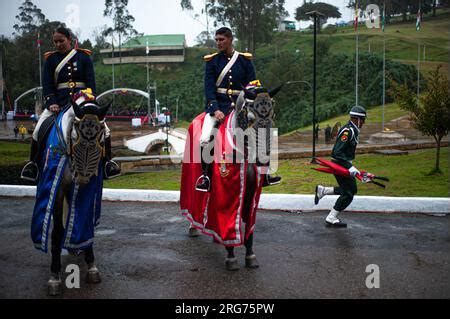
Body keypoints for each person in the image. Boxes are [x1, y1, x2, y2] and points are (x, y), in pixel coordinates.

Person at [21, 27, 120, 182]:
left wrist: (90, 101)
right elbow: (47, 84)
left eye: (61, 41)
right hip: (58, 102)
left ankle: (108, 163)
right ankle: (33, 164)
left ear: (69, 39)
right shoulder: (51, 60)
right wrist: (51, 102)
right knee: (38, 130)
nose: (58, 44)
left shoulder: (83, 57)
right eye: (55, 41)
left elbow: (91, 82)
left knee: (105, 130)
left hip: (82, 101)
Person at [195, 27, 281, 192]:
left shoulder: (244, 60)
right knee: (205, 138)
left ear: (230, 39)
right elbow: (209, 88)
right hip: (219, 106)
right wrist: (215, 109)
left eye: (222, 39)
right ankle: (205, 177)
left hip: (242, 105)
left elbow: (253, 85)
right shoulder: (212, 61)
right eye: (217, 39)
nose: (218, 43)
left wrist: (255, 100)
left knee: (262, 130)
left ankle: (266, 173)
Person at [314, 106, 367, 228]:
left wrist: (350, 166)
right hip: (340, 164)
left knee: (349, 189)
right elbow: (337, 153)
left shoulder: (352, 130)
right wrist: (349, 167)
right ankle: (331, 217)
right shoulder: (347, 131)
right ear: (355, 118)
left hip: (343, 163)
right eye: (362, 119)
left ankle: (323, 190)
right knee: (349, 193)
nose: (363, 122)